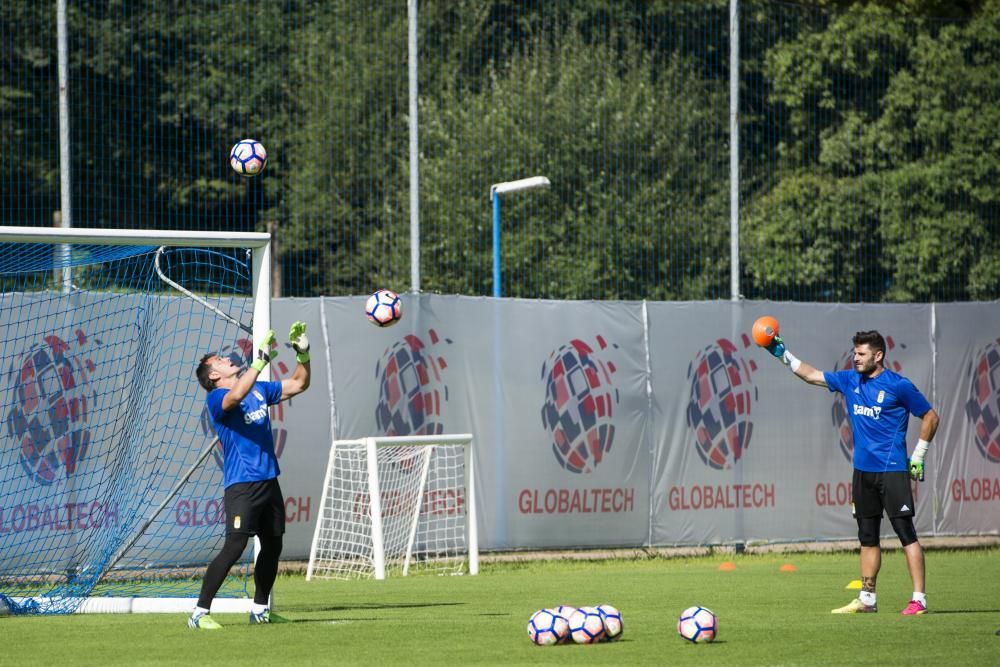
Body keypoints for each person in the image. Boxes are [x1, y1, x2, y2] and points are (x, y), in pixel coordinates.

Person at [764, 329, 939, 616]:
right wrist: (783, 354)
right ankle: (867, 599)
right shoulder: (849, 380)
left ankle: (919, 599)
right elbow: (811, 375)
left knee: (906, 533)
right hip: (862, 473)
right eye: (854, 353)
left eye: (861, 354)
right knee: (867, 537)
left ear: (878, 355)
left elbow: (931, 416)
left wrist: (918, 455)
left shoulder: (899, 386)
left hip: (893, 471)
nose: (855, 358)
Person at [188, 321, 311, 629]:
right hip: (242, 486)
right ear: (214, 376)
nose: (227, 359)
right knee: (235, 546)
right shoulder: (216, 399)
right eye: (219, 361)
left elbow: (298, 385)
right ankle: (199, 614)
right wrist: (259, 361)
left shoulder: (257, 388)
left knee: (273, 545)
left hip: (269, 481)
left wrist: (303, 354)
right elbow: (234, 398)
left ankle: (259, 610)